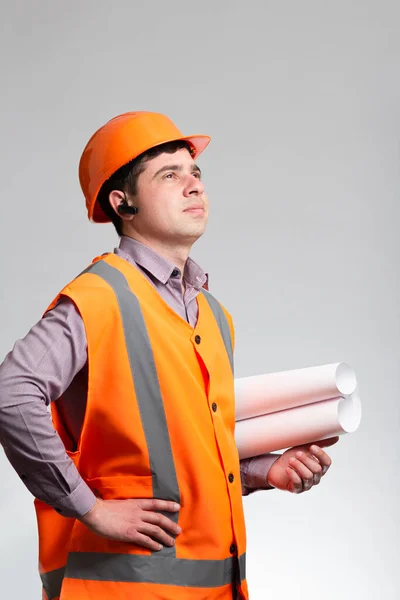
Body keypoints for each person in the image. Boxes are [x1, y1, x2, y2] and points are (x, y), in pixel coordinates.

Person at [0, 111, 338, 600]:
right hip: (124, 589)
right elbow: (11, 393)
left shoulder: (213, 316)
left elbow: (185, 455)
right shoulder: (101, 297)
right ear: (123, 202)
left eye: (195, 172)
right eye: (169, 175)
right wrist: (89, 507)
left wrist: (265, 472)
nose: (193, 185)